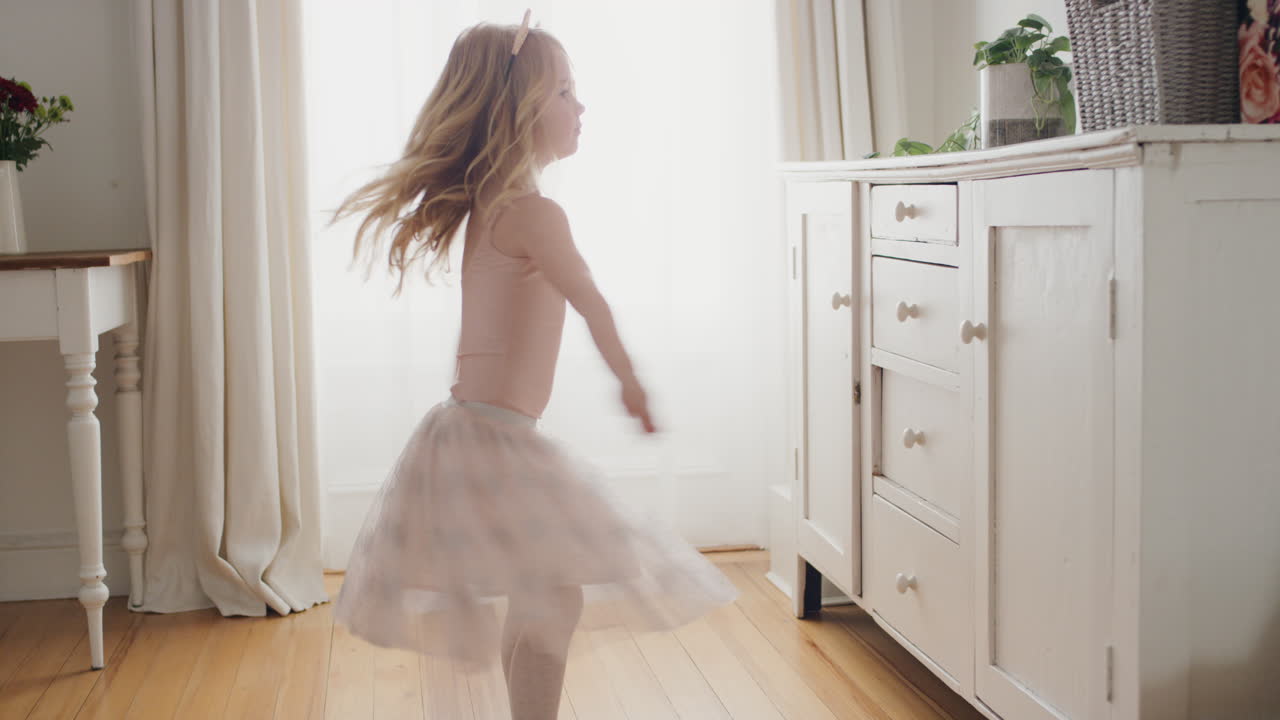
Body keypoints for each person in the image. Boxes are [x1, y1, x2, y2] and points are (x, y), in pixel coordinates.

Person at [329, 11, 738, 719]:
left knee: (542, 593)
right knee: (554, 595)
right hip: (495, 439)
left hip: (476, 433)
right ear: (516, 111)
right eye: (565, 92)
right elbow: (590, 300)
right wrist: (630, 381)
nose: (582, 107)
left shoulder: (495, 204)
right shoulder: (531, 213)